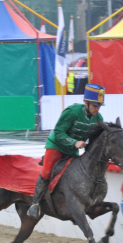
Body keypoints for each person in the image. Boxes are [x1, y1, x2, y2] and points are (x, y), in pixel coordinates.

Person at [27, 85, 105, 217]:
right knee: (46, 172)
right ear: (86, 103)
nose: (97, 109)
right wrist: (75, 143)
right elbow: (58, 132)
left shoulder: (98, 118)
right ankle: (34, 205)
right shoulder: (72, 112)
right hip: (56, 146)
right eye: (95, 105)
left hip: (71, 150)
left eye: (99, 106)